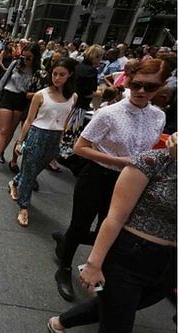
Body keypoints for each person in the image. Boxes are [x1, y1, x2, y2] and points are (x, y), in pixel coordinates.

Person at [53, 59, 172, 302]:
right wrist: (122, 161)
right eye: (136, 84)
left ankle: (88, 262)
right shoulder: (109, 113)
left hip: (132, 184)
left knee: (110, 230)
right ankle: (64, 268)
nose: (141, 91)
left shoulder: (158, 117)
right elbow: (79, 148)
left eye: (149, 87)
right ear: (127, 80)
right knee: (80, 225)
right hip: (97, 176)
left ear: (160, 87)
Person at [49, 133, 176, 333]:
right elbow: (114, 217)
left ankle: (59, 323)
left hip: (169, 265)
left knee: (116, 307)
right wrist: (93, 264)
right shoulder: (151, 162)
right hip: (130, 256)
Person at [8, 58, 78, 226]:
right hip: (36, 134)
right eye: (55, 74)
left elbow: (66, 120)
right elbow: (29, 120)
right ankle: (24, 207)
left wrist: (61, 139)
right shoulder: (41, 95)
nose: (57, 78)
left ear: (70, 75)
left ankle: (15, 181)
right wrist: (19, 141)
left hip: (54, 138)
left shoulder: (73, 96)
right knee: (31, 172)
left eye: (62, 74)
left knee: (36, 170)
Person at [0, 43, 41, 174]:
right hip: (8, 95)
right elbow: (3, 80)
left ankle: (1, 151)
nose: (26, 60)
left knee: (11, 130)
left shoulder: (37, 70)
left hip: (22, 99)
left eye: (29, 57)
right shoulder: (16, 64)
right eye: (24, 56)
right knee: (4, 129)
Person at [59, 45, 105, 163]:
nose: (100, 61)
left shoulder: (77, 66)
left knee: (62, 127)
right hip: (80, 106)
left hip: (68, 101)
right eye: (100, 58)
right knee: (70, 131)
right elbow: (88, 93)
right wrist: (99, 94)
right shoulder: (91, 72)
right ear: (96, 57)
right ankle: (60, 155)